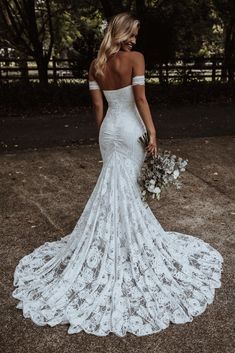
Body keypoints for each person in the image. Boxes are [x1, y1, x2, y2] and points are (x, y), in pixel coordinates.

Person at [12, 12, 223, 337]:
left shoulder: (95, 65)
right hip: (129, 130)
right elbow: (140, 98)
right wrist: (151, 132)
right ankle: (126, 244)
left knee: (116, 189)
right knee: (127, 189)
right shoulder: (135, 59)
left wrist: (105, 136)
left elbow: (98, 110)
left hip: (109, 132)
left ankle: (116, 238)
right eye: (133, 34)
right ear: (122, 33)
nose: (135, 41)